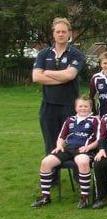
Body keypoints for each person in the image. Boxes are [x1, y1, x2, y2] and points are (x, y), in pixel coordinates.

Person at [31, 95, 99, 208]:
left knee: (82, 162)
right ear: (76, 107)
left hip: (84, 149)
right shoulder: (70, 120)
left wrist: (89, 147)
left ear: (91, 108)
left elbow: (99, 139)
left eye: (86, 106)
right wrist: (59, 146)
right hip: (68, 149)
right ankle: (45, 197)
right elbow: (62, 137)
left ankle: (84, 197)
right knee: (46, 162)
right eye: (80, 106)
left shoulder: (95, 120)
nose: (83, 108)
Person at [32, 17, 85, 155]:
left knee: (73, 144)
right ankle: (51, 176)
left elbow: (70, 75)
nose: (61, 34)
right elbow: (36, 77)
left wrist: (48, 72)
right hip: (48, 106)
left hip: (69, 106)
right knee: (50, 146)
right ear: (53, 34)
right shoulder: (43, 54)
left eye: (64, 31)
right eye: (58, 32)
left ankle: (80, 175)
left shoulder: (76, 54)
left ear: (69, 33)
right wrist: (62, 77)